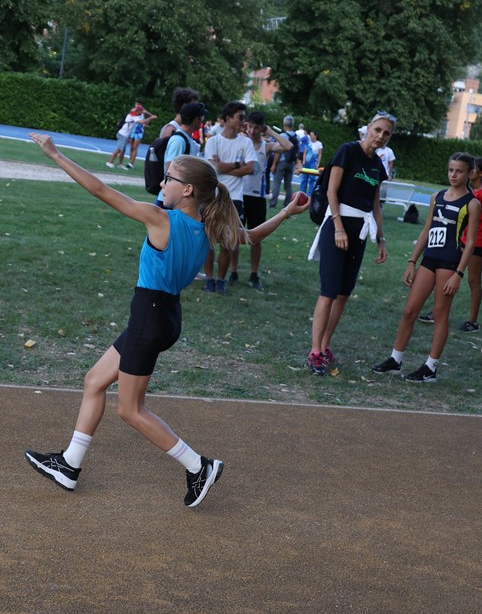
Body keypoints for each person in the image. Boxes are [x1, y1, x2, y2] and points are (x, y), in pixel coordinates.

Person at [22, 134, 310, 507]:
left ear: (187, 189)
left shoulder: (161, 219)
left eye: (169, 178)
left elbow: (100, 190)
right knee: (94, 381)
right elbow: (251, 237)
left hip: (150, 316)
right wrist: (286, 213)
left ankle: (198, 466)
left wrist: (55, 154)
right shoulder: (208, 226)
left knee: (130, 409)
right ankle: (69, 464)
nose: (162, 182)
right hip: (164, 316)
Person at [371, 152, 480, 382]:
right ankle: (395, 360)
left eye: (459, 171)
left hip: (450, 263)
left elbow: (470, 242)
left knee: (440, 314)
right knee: (409, 310)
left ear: (469, 173)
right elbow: (426, 231)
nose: (453, 175)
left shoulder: (472, 203)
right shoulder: (436, 197)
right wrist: (412, 261)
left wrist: (459, 274)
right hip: (429, 259)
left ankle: (431, 368)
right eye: (451, 170)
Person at [305, 113, 393, 376]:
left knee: (344, 292)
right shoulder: (348, 151)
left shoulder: (377, 164)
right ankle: (314, 352)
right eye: (377, 129)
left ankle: (325, 345)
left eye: (386, 133)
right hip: (338, 224)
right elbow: (331, 190)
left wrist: (381, 239)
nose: (380, 136)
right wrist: (338, 227)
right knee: (329, 291)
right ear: (368, 128)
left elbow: (376, 204)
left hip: (360, 231)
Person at [421, 157, 482, 331]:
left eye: (473, 169)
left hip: (479, 242)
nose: (469, 171)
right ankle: (436, 312)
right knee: (444, 274)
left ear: (481, 173)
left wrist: (479, 220)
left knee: (472, 280)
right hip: (462, 240)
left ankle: (473, 321)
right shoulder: (471, 192)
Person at [202, 101, 256, 294]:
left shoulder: (246, 142)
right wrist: (238, 164)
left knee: (227, 242)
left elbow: (251, 168)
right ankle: (209, 279)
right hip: (213, 197)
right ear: (228, 119)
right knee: (208, 241)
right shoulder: (213, 141)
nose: (243, 120)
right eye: (240, 117)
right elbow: (213, 168)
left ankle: (221, 280)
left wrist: (225, 167)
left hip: (235, 199)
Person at [236, 111, 292, 291]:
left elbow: (288, 146)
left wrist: (271, 132)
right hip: (238, 195)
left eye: (256, 127)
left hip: (257, 197)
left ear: (262, 128)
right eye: (250, 126)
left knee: (256, 238)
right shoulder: (241, 142)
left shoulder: (266, 146)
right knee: (234, 237)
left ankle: (254, 275)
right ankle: (233, 272)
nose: (252, 130)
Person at [106, 102, 148, 169]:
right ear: (138, 111)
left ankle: (120, 164)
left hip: (125, 135)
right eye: (141, 111)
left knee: (123, 150)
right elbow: (142, 122)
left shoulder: (135, 115)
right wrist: (151, 118)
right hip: (123, 134)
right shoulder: (132, 116)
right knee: (119, 149)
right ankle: (110, 162)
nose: (142, 112)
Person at [269, 115, 299, 208]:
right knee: (288, 185)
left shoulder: (283, 136)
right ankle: (287, 203)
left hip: (282, 162)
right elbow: (298, 151)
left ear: (285, 124)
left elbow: (278, 152)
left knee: (277, 183)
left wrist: (274, 164)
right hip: (291, 163)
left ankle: (273, 203)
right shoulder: (297, 137)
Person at [126, 105, 158, 169]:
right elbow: (142, 121)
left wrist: (151, 116)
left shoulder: (142, 114)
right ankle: (130, 161)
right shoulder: (133, 114)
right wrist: (151, 117)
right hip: (132, 131)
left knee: (135, 147)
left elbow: (146, 121)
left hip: (139, 132)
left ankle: (131, 162)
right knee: (131, 148)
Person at [298, 130, 322, 195]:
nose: (310, 136)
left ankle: (310, 194)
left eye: (311, 135)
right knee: (304, 178)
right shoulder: (308, 143)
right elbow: (305, 153)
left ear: (315, 136)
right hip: (306, 163)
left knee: (312, 178)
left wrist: (318, 163)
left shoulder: (319, 144)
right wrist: (303, 161)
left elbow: (319, 154)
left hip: (313, 163)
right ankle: (302, 193)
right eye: (310, 135)